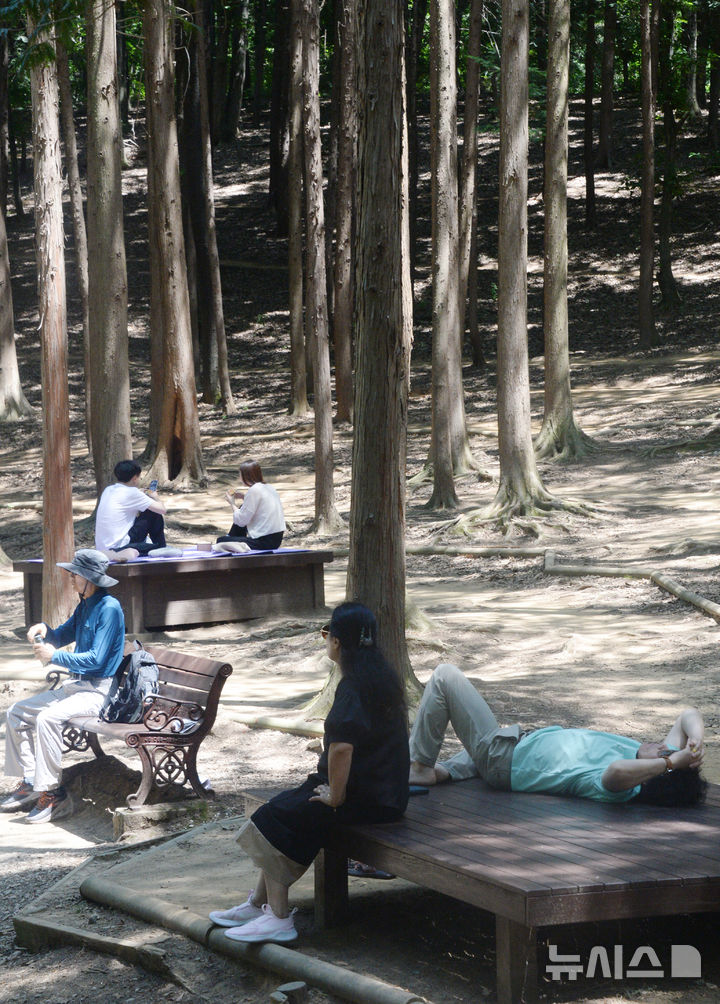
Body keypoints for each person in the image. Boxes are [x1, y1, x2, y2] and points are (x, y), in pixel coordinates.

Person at [208, 602, 409, 943]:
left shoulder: (354, 687)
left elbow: (342, 748)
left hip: (364, 797)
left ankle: (278, 918)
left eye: (327, 634)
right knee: (283, 807)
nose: (326, 640)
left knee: (274, 818)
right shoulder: (381, 678)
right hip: (383, 793)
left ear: (338, 642)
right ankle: (258, 905)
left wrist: (336, 796)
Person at [408, 663, 707, 806]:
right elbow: (687, 715)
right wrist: (695, 741)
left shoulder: (619, 786)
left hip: (503, 758)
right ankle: (445, 771)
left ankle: (419, 768)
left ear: (652, 773)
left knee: (445, 676)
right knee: (472, 753)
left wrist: (669, 763)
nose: (661, 745)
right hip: (510, 749)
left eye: (665, 754)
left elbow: (617, 771)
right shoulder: (649, 759)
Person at [1, 549, 126, 823]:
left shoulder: (109, 609)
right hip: (76, 687)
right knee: (16, 713)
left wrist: (54, 656)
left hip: (98, 692)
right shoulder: (85, 604)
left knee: (47, 718)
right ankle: (31, 782)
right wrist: (45, 630)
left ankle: (52, 794)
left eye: (74, 574)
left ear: (88, 578)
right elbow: (61, 636)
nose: (70, 578)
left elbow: (97, 659)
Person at [95, 459, 176, 560]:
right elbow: (162, 510)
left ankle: (157, 547)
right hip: (120, 547)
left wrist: (140, 493)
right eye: (139, 477)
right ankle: (160, 547)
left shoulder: (108, 490)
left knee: (148, 509)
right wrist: (155, 497)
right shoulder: (133, 493)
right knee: (153, 512)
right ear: (134, 478)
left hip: (103, 547)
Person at [216, 460, 285, 551]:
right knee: (242, 508)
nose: (240, 478)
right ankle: (232, 537)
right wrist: (244, 497)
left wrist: (232, 503)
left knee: (220, 541)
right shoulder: (269, 487)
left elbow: (241, 521)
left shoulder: (253, 490)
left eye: (240, 475)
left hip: (263, 542)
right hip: (276, 540)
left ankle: (231, 538)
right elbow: (261, 505)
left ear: (246, 476)